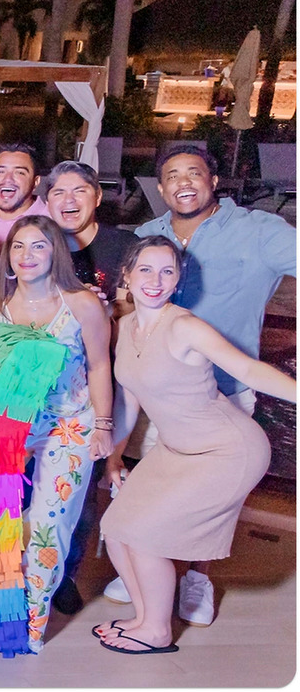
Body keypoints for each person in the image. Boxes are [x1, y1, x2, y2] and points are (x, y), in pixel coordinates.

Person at [109, 145, 297, 623]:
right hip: (158, 390)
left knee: (208, 502)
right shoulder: (148, 236)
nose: (183, 182)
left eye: (194, 172)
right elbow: (129, 309)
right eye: (171, 175)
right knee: (156, 490)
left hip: (225, 392)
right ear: (160, 186)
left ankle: (196, 578)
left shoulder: (259, 231)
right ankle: (147, 561)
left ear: (214, 180)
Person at [0, 215, 114, 651]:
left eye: (38, 246)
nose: (27, 255)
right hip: (6, 423)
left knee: (48, 525)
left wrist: (105, 427)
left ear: (56, 251)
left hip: (67, 423)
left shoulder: (82, 304)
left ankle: (30, 627)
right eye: (18, 246)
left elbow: (100, 366)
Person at [44, 160, 134, 302]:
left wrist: (99, 307)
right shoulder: (37, 248)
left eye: (79, 191)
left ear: (98, 197)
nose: (69, 200)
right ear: (47, 204)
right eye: (58, 193)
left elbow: (133, 306)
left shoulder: (125, 245)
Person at [0, 143, 51, 260]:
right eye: (0, 172)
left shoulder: (52, 220)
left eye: (19, 172)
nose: (7, 179)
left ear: (35, 182)